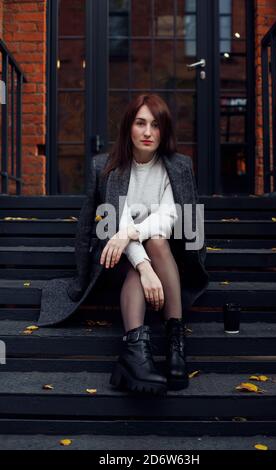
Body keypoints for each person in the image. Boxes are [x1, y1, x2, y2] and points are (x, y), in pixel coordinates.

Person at [37, 93, 209, 396]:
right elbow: (105, 227)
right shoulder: (104, 166)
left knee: (157, 238)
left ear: (164, 130)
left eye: (155, 125)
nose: (147, 132)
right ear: (128, 127)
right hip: (114, 258)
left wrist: (127, 233)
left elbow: (170, 218)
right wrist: (144, 267)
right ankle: (137, 352)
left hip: (168, 256)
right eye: (140, 123)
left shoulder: (179, 167)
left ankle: (170, 345)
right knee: (139, 255)